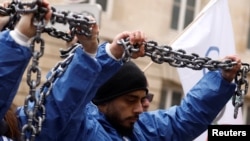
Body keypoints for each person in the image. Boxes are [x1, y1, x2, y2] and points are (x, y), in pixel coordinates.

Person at [0, 0, 146, 140]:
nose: (142, 107)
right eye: (131, 100)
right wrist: (17, 38)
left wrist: (95, 54)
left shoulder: (15, 124)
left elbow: (52, 112)